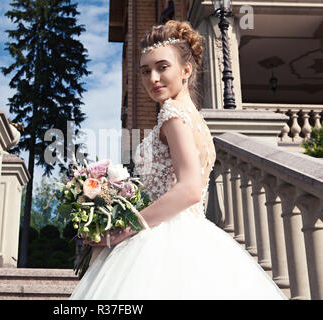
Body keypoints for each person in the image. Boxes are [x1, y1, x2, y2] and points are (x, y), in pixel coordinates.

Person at [70, 20, 287, 300]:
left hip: (163, 238)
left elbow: (189, 189)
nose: (153, 79)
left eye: (162, 67)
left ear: (186, 70)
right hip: (194, 235)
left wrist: (125, 229)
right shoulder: (197, 121)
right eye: (145, 71)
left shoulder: (172, 114)